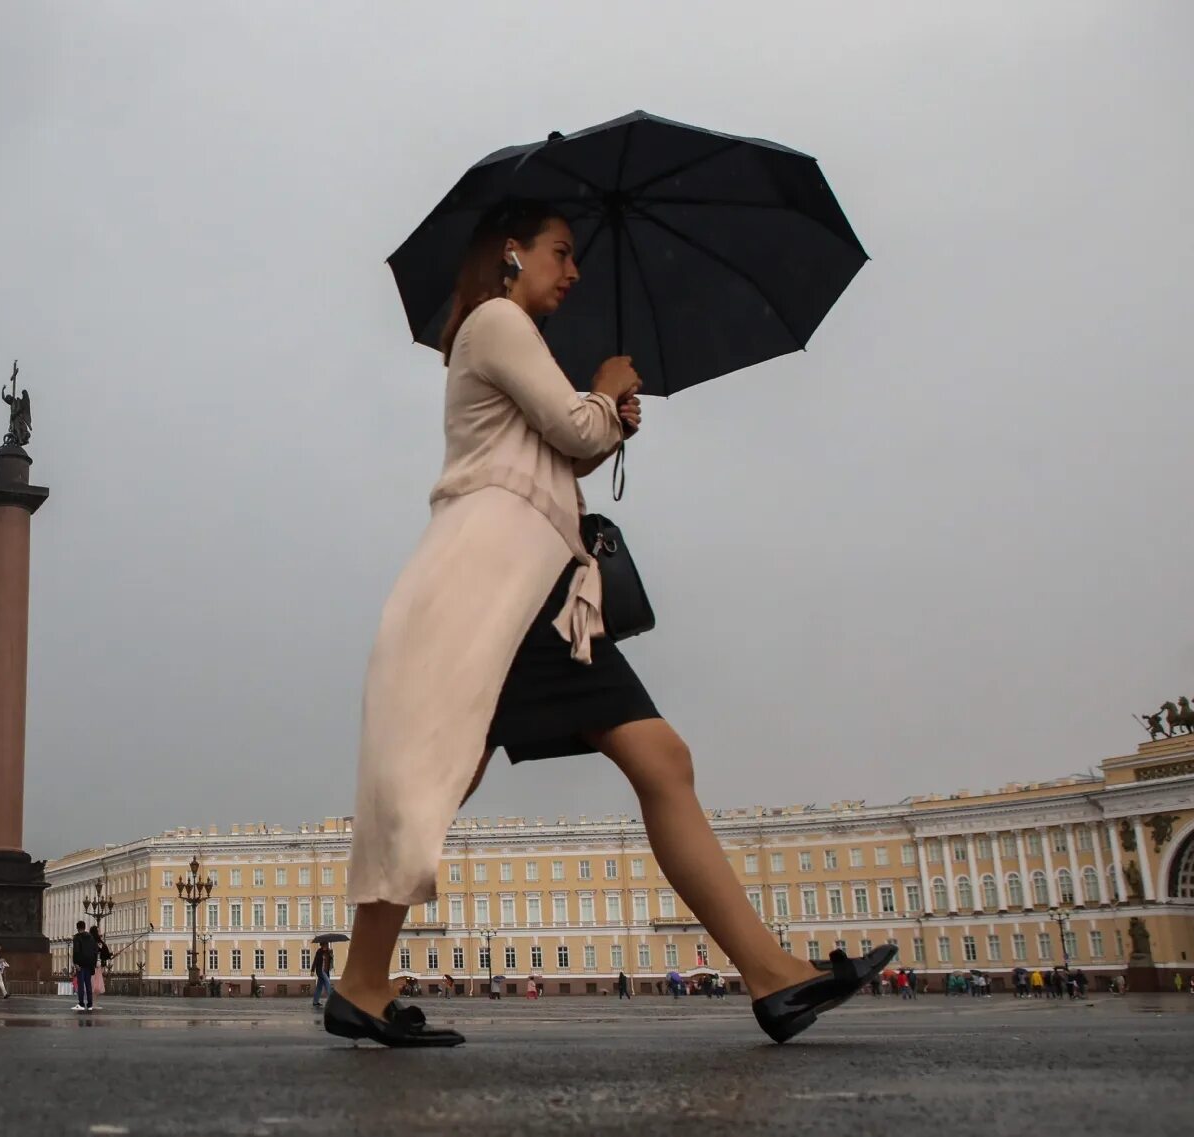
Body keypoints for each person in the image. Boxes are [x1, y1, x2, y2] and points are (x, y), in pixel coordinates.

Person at [323, 198, 895, 1049]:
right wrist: (607, 389)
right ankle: (363, 982)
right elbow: (566, 422)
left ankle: (771, 975)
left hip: (532, 583)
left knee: (608, 762)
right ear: (512, 254)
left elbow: (564, 446)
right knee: (453, 777)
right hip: (500, 584)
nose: (575, 268)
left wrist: (606, 423)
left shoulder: (510, 336)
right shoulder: (494, 320)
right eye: (563, 251)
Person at [71, 921, 98, 1012]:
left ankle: (81, 1003)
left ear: (77, 928)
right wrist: (93, 964)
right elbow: (95, 951)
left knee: (81, 985)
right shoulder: (91, 938)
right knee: (88, 984)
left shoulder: (77, 938)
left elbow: (76, 951)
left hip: (81, 964)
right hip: (89, 964)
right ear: (85, 927)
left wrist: (76, 963)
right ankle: (90, 1004)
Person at [311, 945, 334, 1009]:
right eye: (325, 944)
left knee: (319, 987)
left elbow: (331, 963)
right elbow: (315, 961)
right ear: (322, 945)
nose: (326, 946)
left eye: (327, 944)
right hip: (321, 971)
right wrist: (312, 970)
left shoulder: (328, 952)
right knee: (328, 984)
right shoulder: (319, 952)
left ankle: (315, 1002)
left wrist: (331, 955)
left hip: (326, 971)